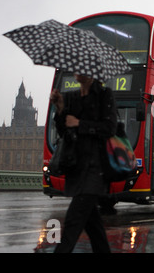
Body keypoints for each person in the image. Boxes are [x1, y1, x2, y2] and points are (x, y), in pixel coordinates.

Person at [50, 74, 117, 253]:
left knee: (73, 222)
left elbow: (110, 128)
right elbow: (64, 130)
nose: (76, 71)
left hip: (95, 169)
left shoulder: (104, 94)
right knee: (94, 228)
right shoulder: (71, 97)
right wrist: (59, 108)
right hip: (76, 166)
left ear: (91, 72)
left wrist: (81, 123)